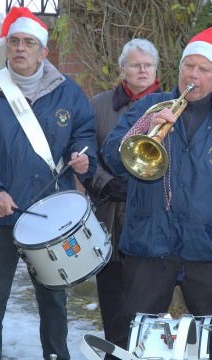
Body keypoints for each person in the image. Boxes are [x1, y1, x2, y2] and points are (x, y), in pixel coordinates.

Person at [101, 26, 212, 360]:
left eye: (203, 69)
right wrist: (144, 129)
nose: (193, 74)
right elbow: (111, 155)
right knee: (127, 336)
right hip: (149, 245)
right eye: (188, 65)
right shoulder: (148, 106)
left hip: (205, 249)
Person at [0, 7, 97, 360]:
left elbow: (85, 133)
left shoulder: (69, 92)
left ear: (44, 51)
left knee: (54, 302)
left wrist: (82, 157)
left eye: (28, 42)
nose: (20, 48)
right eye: (14, 41)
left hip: (51, 218)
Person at [84, 38, 161, 346]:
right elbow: (84, 155)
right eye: (135, 65)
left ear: (156, 69)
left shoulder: (169, 105)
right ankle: (112, 351)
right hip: (109, 217)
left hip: (152, 221)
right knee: (112, 299)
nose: (142, 70)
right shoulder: (99, 105)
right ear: (122, 70)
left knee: (147, 300)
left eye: (148, 65)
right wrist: (106, 183)